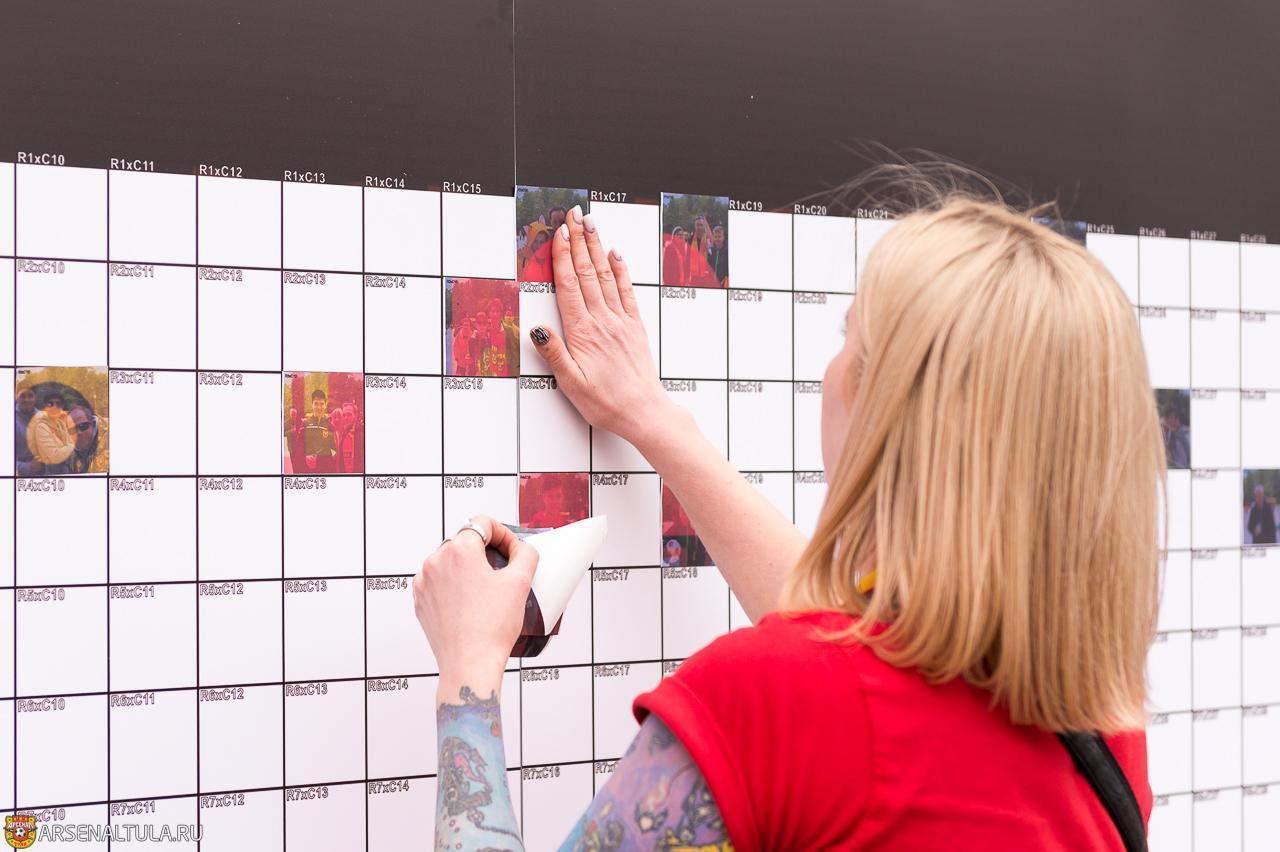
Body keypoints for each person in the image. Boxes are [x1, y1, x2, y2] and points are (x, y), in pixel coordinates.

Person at [415, 191, 1160, 850]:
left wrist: (468, 676)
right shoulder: (1101, 725)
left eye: (849, 340)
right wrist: (651, 417)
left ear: (890, 412)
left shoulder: (762, 705)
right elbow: (852, 659)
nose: (831, 372)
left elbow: (820, 692)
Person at [27, 391, 78, 474]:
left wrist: (68, 447)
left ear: (61, 407)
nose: (54, 407)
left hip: (66, 469)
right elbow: (54, 455)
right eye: (50, 404)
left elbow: (71, 444)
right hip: (51, 473)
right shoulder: (41, 426)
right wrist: (71, 446)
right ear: (45, 407)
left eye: (58, 404)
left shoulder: (60, 423)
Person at [302, 388, 336, 473]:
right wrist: (305, 457)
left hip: (327, 467)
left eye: (322, 404)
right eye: (316, 404)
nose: (319, 407)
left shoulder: (331, 423)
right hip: (309, 469)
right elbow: (299, 447)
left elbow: (335, 447)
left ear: (325, 404)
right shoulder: (305, 423)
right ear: (312, 404)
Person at [14, 388, 42, 476]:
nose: (26, 400)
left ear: (35, 398)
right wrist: (27, 467)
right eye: (22, 396)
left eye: (30, 396)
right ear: (16, 397)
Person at [1162, 404, 1189, 469]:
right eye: (1169, 417)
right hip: (1176, 465)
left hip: (1183, 467)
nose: (1170, 420)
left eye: (1173, 417)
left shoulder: (1181, 432)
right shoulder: (1170, 433)